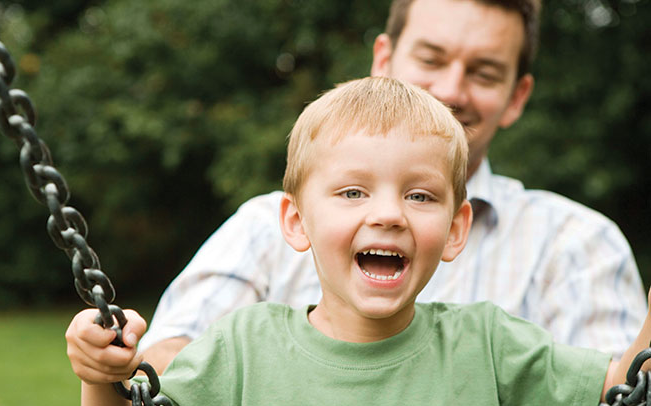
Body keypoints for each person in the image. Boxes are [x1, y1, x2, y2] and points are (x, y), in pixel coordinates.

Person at [66, 76, 651, 406]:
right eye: (352, 193)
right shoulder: (245, 350)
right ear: (295, 221)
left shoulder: (492, 348)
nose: (390, 214)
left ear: (454, 229)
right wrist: (102, 379)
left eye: (420, 196)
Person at [138, 0, 646, 373]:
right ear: (384, 59)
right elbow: (168, 361)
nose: (450, 90)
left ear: (517, 97)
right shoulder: (267, 225)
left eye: (484, 73)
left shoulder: (578, 242)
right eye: (431, 58)